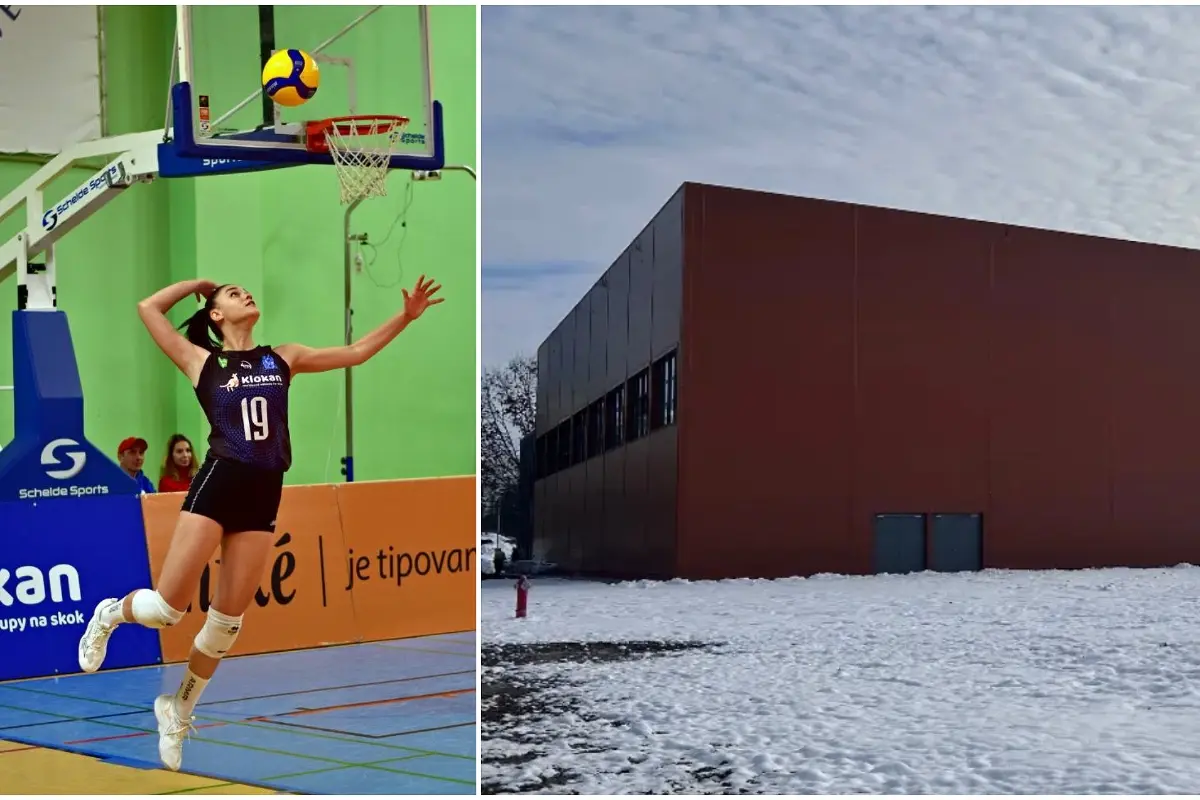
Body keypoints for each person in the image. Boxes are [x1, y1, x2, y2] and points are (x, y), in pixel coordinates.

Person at [76, 275, 443, 771]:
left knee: (226, 625)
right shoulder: (201, 361)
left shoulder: (283, 357)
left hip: (264, 492)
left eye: (245, 290)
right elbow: (147, 307)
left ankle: (177, 707)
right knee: (168, 609)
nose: (244, 293)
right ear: (216, 316)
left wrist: (405, 317)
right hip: (220, 482)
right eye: (232, 293)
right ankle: (108, 615)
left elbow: (357, 352)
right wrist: (195, 285)